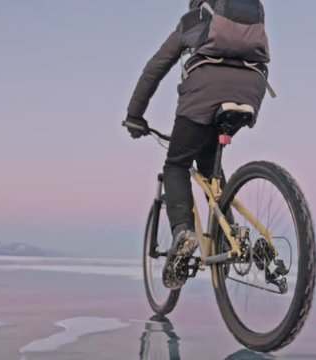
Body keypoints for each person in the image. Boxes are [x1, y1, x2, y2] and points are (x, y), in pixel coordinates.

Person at [125, 0, 271, 289]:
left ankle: (183, 232)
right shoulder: (252, 17)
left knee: (176, 163)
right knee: (209, 170)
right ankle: (232, 234)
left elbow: (156, 67)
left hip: (204, 95)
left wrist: (134, 114)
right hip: (251, 92)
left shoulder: (195, 20)